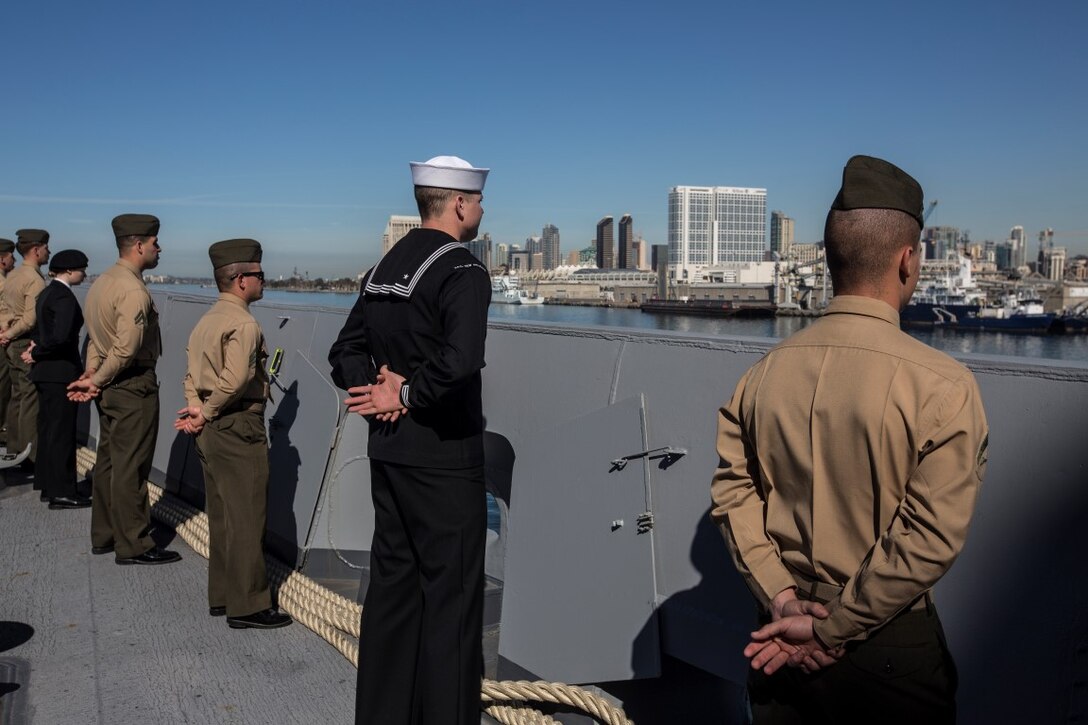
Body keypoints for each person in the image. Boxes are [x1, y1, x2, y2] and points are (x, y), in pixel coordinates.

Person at [711, 155, 989, 724]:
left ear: (831, 258)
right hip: (887, 651)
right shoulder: (945, 388)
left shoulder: (760, 376)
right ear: (908, 260)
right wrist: (833, 628)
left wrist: (784, 600)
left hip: (778, 638)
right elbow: (928, 537)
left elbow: (733, 497)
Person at [328, 155, 491, 725]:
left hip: (389, 455)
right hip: (445, 460)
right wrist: (404, 395)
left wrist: (374, 390)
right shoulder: (462, 271)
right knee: (453, 604)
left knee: (394, 595)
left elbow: (343, 350)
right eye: (476, 202)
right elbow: (461, 361)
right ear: (460, 204)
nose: (479, 210)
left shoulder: (383, 270)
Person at [173, 238, 292, 630]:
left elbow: (191, 374)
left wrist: (197, 411)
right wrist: (206, 411)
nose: (264, 280)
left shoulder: (207, 320)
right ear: (241, 279)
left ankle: (223, 596)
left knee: (222, 514)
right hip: (238, 424)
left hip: (210, 428)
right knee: (246, 515)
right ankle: (248, 606)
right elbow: (237, 379)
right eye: (259, 274)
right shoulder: (243, 323)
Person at [68, 214, 181, 565]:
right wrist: (97, 379)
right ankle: (134, 544)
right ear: (139, 246)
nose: (159, 248)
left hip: (108, 386)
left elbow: (96, 341)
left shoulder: (102, 283)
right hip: (132, 386)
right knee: (131, 467)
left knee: (108, 462)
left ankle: (104, 534)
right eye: (155, 242)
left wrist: (92, 374)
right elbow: (126, 349)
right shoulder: (132, 289)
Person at [24, 249, 91, 509]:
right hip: (60, 373)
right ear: (70, 271)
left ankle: (47, 486)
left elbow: (42, 330)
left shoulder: (46, 294)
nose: (84, 273)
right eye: (82, 269)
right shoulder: (63, 297)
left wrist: (35, 350)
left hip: (45, 373)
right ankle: (63, 492)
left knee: (49, 431)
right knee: (62, 433)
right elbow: (61, 338)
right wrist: (38, 351)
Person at [1, 229, 50, 476]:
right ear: (36, 249)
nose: (48, 252)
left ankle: (14, 448)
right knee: (30, 399)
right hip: (24, 343)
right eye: (46, 248)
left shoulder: (13, 275)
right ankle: (29, 458)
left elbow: (6, 310)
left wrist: (6, 332)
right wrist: (10, 334)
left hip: (10, 342)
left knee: (17, 396)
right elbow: (32, 319)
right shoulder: (34, 280)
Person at [0, 238, 17, 446]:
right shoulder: (4, 284)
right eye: (12, 257)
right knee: (3, 384)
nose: (15, 261)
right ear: (2, 259)